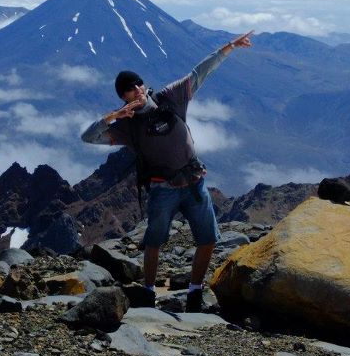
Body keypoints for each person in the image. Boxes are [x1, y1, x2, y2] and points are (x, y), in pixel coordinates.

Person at [81, 31, 253, 311]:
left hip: (194, 181)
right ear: (124, 100)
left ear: (144, 86)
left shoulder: (169, 98)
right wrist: (112, 117)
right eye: (130, 92)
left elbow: (199, 73)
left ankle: (195, 292)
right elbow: (88, 137)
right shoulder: (127, 126)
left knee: (208, 238)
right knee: (154, 241)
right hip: (163, 189)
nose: (137, 92)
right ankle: (149, 291)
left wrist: (229, 47)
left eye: (138, 86)